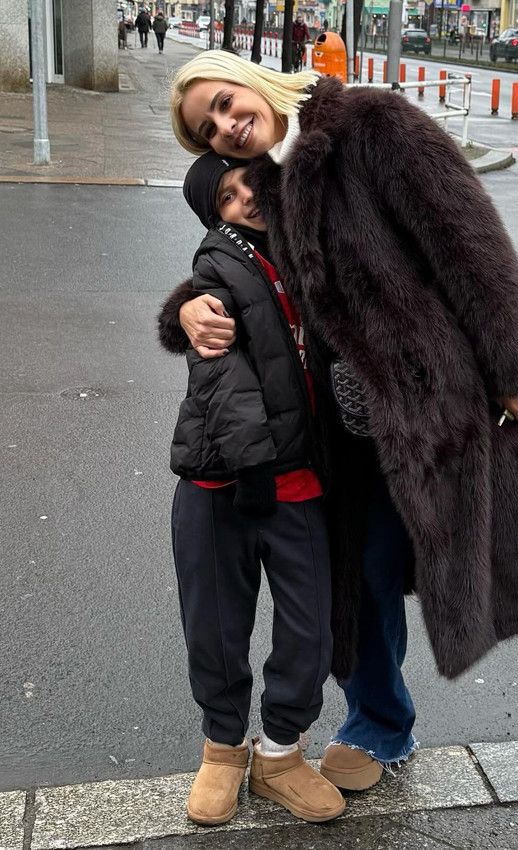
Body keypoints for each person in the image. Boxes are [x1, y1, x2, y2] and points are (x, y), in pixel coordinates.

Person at [161, 51, 518, 808]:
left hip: (448, 407)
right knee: (360, 585)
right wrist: (184, 310)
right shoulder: (264, 185)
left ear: (254, 81)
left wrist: (511, 363)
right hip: (342, 435)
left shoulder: (369, 123)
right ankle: (378, 723)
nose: (227, 125)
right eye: (208, 128)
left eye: (226, 101)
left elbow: (469, 238)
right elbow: (238, 274)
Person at [162, 151, 345, 827]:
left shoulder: (311, 248)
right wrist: (253, 470)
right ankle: (223, 750)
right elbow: (224, 380)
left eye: (251, 182)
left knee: (310, 630)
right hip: (223, 483)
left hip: (300, 481)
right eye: (227, 196)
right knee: (215, 629)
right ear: (214, 216)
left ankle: (280, 754)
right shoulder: (218, 268)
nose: (247, 198)